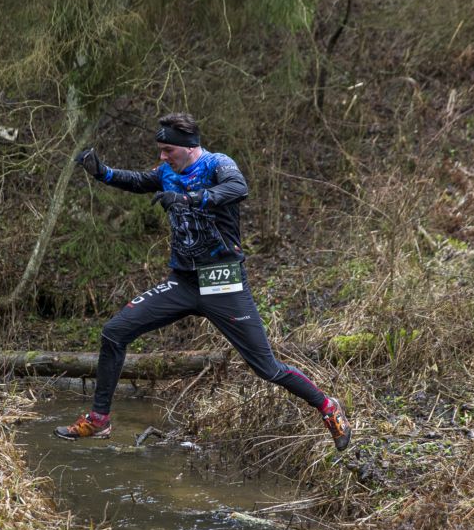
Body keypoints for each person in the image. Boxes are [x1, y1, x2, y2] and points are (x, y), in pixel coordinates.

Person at [54, 112, 352, 451]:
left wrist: (189, 199)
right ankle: (99, 419)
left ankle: (327, 406)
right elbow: (137, 181)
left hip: (224, 284)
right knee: (114, 332)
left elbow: (238, 188)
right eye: (161, 151)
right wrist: (101, 172)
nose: (162, 157)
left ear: (189, 147)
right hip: (183, 284)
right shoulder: (167, 171)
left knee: (266, 367)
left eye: (168, 150)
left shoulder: (216, 164)